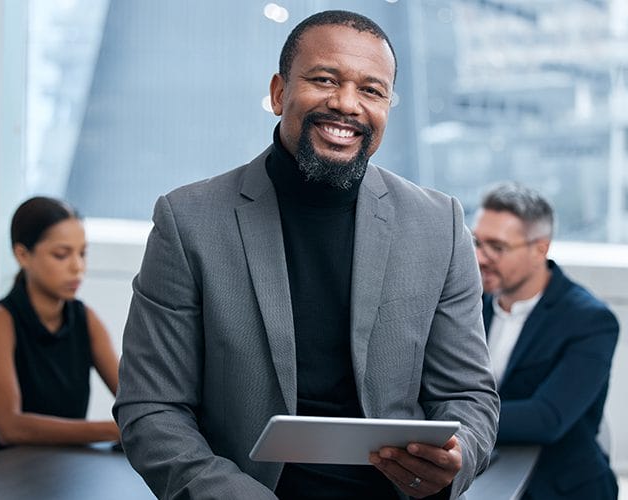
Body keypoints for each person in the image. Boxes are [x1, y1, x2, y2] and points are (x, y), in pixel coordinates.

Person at [114, 10, 499, 500]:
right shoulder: (188, 221)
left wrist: (458, 454)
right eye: (324, 80)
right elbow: (151, 407)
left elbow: (467, 396)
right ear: (279, 93)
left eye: (371, 90)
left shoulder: (438, 225)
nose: (346, 104)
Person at [473, 182, 619, 499]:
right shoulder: (469, 305)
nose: (480, 258)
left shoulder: (590, 320)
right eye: (476, 242)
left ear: (540, 248)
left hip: (561, 485)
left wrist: (451, 417)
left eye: (496, 247)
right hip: (485, 474)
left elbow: (546, 418)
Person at [0, 196, 120, 452]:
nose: (78, 267)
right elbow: (9, 427)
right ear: (23, 255)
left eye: (82, 253)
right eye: (61, 255)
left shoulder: (86, 319)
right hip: (6, 480)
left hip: (67, 473)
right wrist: (115, 429)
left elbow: (137, 401)